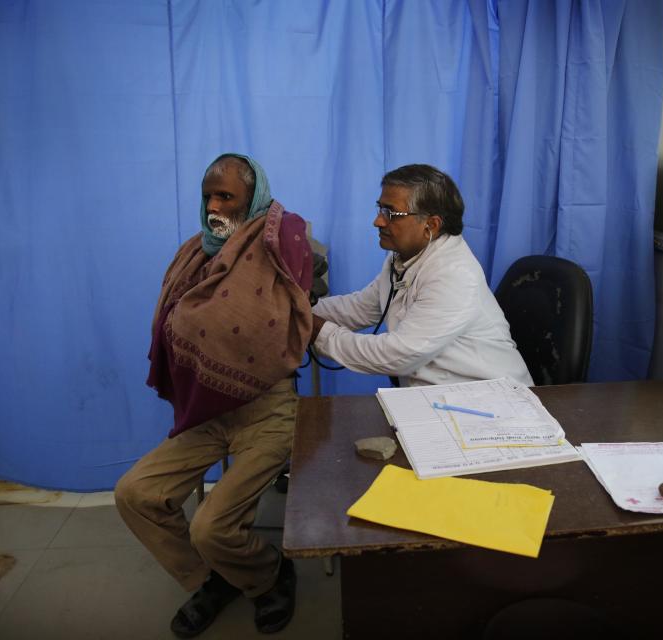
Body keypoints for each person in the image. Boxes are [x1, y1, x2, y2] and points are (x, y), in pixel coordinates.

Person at [115, 153, 312, 638]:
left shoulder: (281, 236)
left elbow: (288, 271)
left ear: (254, 198)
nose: (214, 205)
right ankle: (213, 579)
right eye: (208, 195)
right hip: (208, 410)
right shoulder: (195, 253)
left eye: (226, 195)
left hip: (268, 409)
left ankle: (268, 575)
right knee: (136, 494)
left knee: (211, 527)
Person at [311, 164, 532, 387]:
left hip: (492, 400)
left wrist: (316, 330)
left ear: (431, 224)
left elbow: (396, 356)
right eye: (380, 209)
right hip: (443, 397)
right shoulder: (404, 257)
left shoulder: (454, 275)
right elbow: (360, 308)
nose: (378, 221)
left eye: (391, 213)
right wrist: (296, 311)